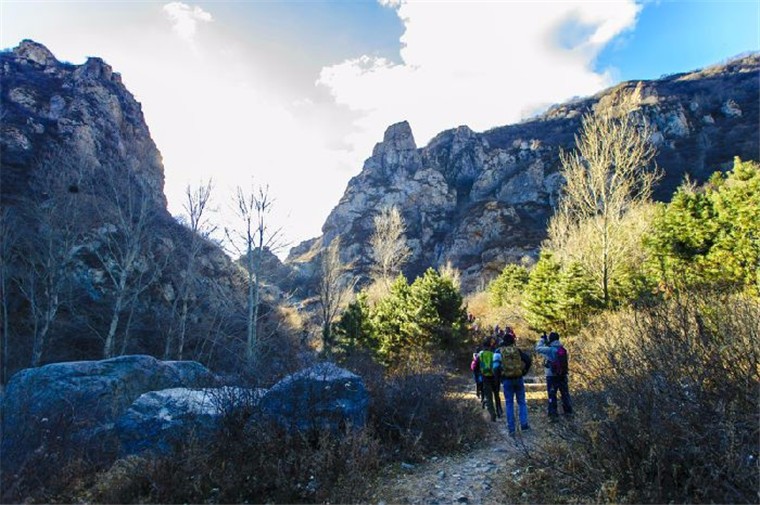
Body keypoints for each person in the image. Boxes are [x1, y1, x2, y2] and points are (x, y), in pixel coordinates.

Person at [498, 328, 532, 436]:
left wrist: (500, 378)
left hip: (507, 380)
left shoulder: (499, 352)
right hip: (518, 378)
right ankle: (524, 425)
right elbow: (528, 360)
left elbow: (495, 367)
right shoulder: (517, 351)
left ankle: (511, 428)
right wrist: (524, 372)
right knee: (521, 402)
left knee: (509, 404)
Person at [535, 331, 573, 420]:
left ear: (550, 339)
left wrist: (542, 340)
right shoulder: (562, 349)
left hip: (551, 376)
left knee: (552, 395)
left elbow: (538, 348)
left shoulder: (549, 350)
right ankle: (568, 412)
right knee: (565, 394)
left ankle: (553, 413)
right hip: (563, 375)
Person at [478, 337, 500, 421]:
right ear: (490, 346)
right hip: (493, 376)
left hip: (485, 377)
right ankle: (499, 411)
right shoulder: (492, 354)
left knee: (489, 397)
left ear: (483, 347)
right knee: (496, 394)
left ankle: (492, 413)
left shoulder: (481, 355)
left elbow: (477, 366)